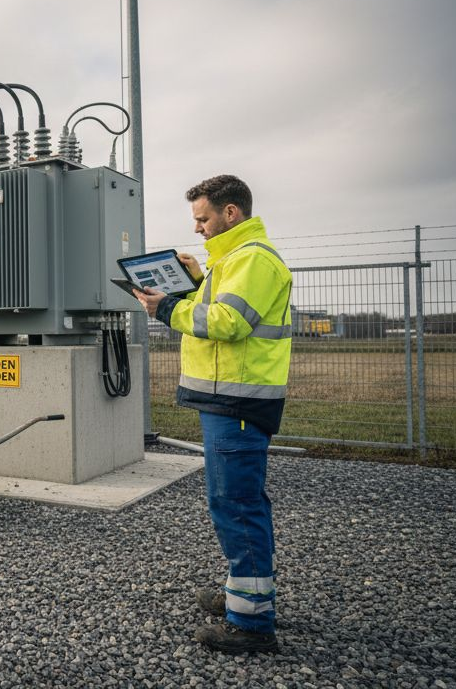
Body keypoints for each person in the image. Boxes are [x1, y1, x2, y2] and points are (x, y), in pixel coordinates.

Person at [134, 174, 292, 655]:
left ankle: (251, 624)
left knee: (237, 505)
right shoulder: (232, 263)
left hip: (238, 404)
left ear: (231, 213)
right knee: (234, 501)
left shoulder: (252, 260)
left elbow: (227, 322)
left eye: (203, 218)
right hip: (226, 400)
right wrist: (196, 283)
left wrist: (165, 308)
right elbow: (216, 307)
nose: (198, 228)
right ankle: (244, 594)